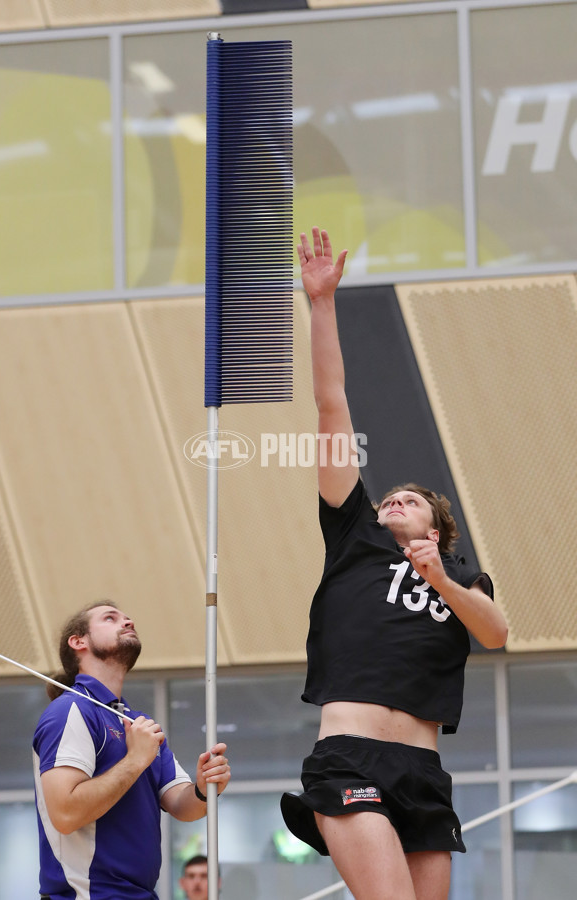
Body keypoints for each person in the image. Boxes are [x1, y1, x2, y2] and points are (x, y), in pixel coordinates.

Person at [281, 228, 508, 900]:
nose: (391, 502)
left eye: (408, 500)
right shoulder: (355, 535)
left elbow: (494, 633)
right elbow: (332, 405)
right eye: (387, 498)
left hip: (423, 769)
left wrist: (439, 576)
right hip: (350, 754)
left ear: (440, 526)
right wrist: (322, 305)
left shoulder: (462, 577)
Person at [33, 600, 231, 900]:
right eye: (110, 618)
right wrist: (136, 759)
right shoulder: (70, 710)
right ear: (78, 641)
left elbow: (181, 805)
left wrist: (204, 789)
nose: (128, 622)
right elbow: (65, 813)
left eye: (128, 619)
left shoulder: (138, 723)